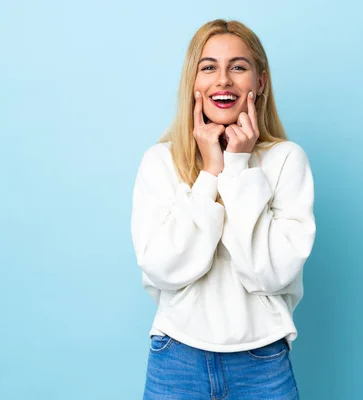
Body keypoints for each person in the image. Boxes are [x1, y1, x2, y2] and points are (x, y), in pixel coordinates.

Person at [131, 18, 316, 400]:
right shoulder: (159, 162)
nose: (223, 81)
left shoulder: (286, 160)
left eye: (238, 67)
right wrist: (210, 172)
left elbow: (270, 273)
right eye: (209, 67)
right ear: (193, 83)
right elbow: (165, 269)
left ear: (260, 82)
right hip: (176, 357)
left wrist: (237, 167)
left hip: (262, 359)